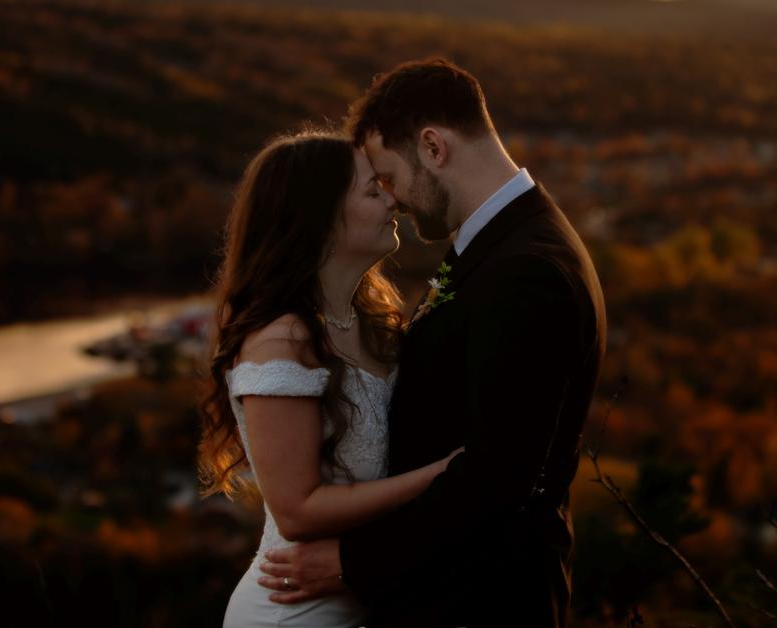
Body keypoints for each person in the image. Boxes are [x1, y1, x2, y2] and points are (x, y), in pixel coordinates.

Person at [257, 58, 607, 627]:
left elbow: (498, 478)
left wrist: (351, 562)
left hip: (483, 600)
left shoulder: (528, 270)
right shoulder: (495, 244)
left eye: (390, 177)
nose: (393, 199)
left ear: (433, 147)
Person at [199, 130, 464, 627]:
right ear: (320, 221)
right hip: (296, 613)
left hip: (368, 598)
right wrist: (441, 476)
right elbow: (297, 510)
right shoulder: (283, 342)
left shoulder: (374, 320)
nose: (393, 199)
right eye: (372, 191)